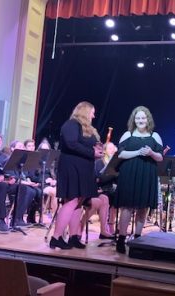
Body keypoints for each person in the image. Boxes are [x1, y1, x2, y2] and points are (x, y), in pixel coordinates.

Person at [50, 101, 103, 250]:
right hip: (71, 167)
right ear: (85, 111)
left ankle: (74, 236)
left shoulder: (87, 128)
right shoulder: (71, 124)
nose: (94, 115)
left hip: (84, 168)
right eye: (92, 111)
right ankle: (56, 237)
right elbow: (71, 144)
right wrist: (91, 152)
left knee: (79, 202)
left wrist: (97, 150)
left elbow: (85, 144)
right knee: (72, 200)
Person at [115, 106, 163, 254]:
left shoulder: (155, 136)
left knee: (143, 207)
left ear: (148, 119)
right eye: (138, 118)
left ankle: (137, 239)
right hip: (129, 173)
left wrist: (151, 153)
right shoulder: (127, 134)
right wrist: (137, 152)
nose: (141, 120)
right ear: (134, 120)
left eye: (143, 118)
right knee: (127, 207)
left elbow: (160, 157)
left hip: (147, 173)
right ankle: (121, 239)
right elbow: (120, 154)